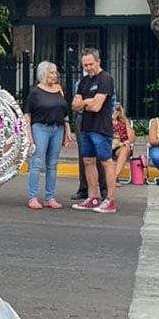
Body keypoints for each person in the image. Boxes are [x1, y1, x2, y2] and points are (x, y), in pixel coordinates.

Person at [71, 48, 117, 213]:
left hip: (101, 127)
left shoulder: (106, 79)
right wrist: (86, 102)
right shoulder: (83, 82)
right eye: (85, 65)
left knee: (106, 162)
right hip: (86, 127)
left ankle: (110, 199)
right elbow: (74, 105)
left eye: (90, 64)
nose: (88, 68)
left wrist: (84, 102)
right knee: (88, 161)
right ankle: (93, 196)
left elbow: (97, 106)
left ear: (98, 62)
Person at [24, 61, 73, 209]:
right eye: (51, 72)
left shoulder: (59, 89)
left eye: (55, 72)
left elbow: (64, 112)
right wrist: (29, 136)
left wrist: (68, 130)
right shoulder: (35, 93)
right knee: (37, 163)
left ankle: (49, 197)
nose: (55, 75)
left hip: (57, 128)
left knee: (52, 164)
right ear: (44, 73)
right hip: (40, 128)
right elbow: (27, 116)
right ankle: (32, 197)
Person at [111, 102, 135, 185]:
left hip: (119, 146)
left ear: (118, 112)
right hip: (106, 146)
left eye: (114, 111)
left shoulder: (124, 122)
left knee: (124, 150)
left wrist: (125, 142)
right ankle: (108, 180)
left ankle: (113, 179)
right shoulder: (104, 121)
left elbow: (131, 138)